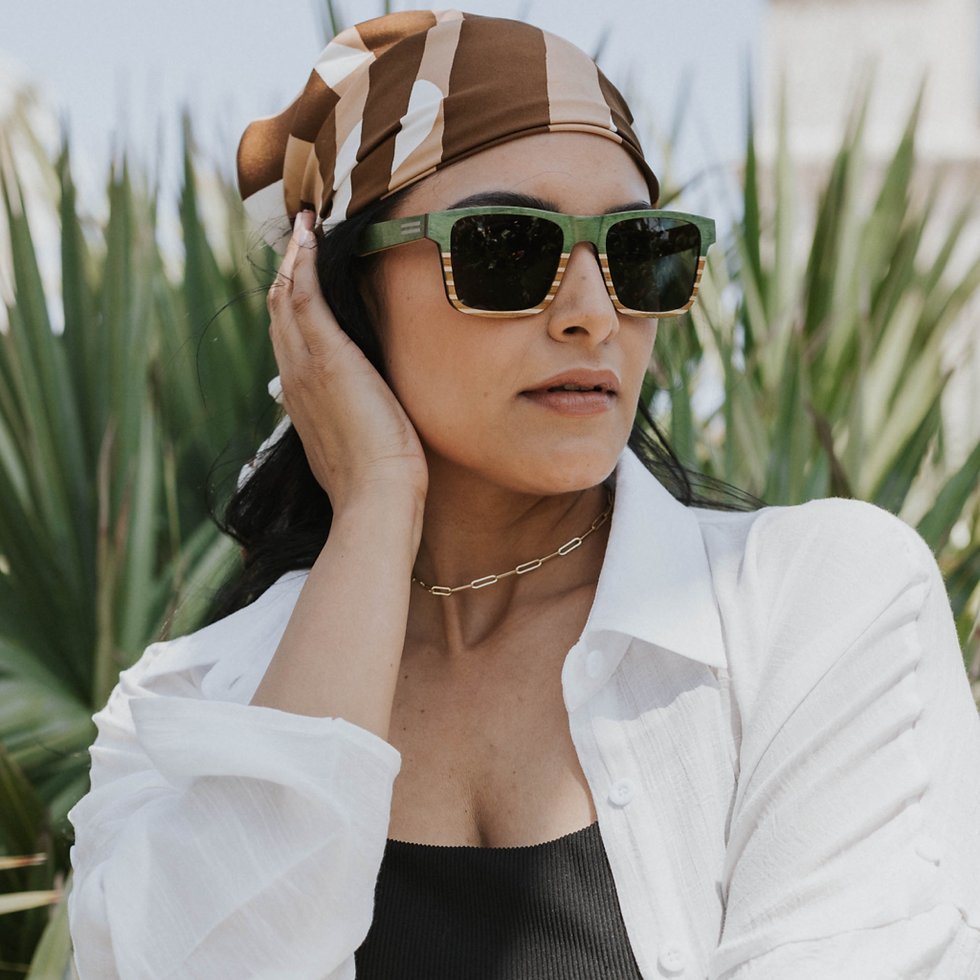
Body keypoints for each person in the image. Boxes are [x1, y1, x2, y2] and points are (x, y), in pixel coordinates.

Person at [66, 10, 980, 980]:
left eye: (640, 250)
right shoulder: (187, 703)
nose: (593, 314)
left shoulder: (816, 601)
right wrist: (377, 502)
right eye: (505, 247)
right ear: (334, 294)